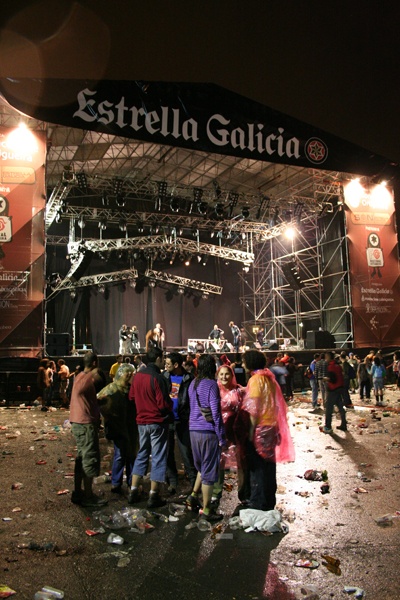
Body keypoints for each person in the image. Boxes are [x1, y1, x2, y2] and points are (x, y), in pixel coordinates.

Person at [240, 350, 295, 511]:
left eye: (244, 362)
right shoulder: (269, 378)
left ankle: (258, 502)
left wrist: (250, 432)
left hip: (261, 428)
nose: (243, 365)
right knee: (269, 466)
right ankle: (269, 500)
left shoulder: (256, 380)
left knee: (258, 467)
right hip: (271, 427)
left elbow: (254, 408)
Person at [128, 346, 172, 509]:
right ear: (158, 358)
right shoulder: (157, 378)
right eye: (163, 359)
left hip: (141, 422)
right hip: (157, 422)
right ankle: (154, 495)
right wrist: (170, 407)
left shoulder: (138, 376)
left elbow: (131, 396)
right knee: (158, 456)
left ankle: (133, 491)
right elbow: (163, 404)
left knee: (142, 454)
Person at [186, 354, 226, 522]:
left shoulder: (192, 384)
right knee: (209, 471)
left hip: (193, 430)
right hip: (207, 432)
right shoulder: (211, 385)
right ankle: (207, 509)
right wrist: (221, 436)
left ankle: (193, 496)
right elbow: (215, 413)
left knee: (202, 467)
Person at [69, 352, 107, 507]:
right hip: (85, 423)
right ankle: (89, 496)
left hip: (77, 421)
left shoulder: (79, 377)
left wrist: (97, 401)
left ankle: (78, 492)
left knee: (81, 458)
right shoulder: (89, 379)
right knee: (89, 458)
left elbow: (83, 397)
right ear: (95, 363)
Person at [98, 363, 137, 494]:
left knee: (131, 454)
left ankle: (131, 482)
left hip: (131, 426)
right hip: (119, 427)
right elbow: (99, 401)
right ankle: (117, 482)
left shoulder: (132, 389)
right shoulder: (112, 389)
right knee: (121, 455)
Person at [163, 352, 197, 494]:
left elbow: (193, 399)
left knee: (186, 452)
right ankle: (173, 481)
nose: (165, 366)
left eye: (168, 364)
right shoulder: (164, 377)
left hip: (183, 420)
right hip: (168, 419)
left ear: (176, 365)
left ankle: (194, 483)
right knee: (168, 452)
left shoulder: (189, 378)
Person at [216, 364, 249, 504]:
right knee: (219, 463)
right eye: (221, 374)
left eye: (227, 374)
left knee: (233, 463)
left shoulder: (238, 390)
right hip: (219, 431)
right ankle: (217, 493)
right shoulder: (215, 390)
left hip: (235, 432)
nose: (224, 377)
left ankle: (232, 493)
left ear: (232, 375)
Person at [322, 351, 347, 433]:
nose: (325, 359)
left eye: (326, 357)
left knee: (329, 408)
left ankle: (328, 427)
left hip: (333, 389)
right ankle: (344, 424)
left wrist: (325, 379)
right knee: (340, 407)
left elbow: (333, 379)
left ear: (330, 357)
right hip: (339, 388)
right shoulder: (338, 366)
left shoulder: (331, 367)